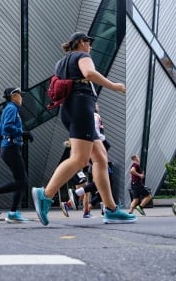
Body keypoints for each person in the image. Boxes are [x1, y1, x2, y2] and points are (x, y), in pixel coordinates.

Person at [32, 32, 135, 225]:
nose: (91, 46)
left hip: (71, 107)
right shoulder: (82, 56)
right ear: (80, 43)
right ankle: (45, 194)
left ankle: (111, 210)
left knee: (101, 158)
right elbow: (89, 73)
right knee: (79, 159)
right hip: (81, 106)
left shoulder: (61, 63)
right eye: (89, 42)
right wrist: (114, 86)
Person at [0, 87, 32, 223]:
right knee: (22, 182)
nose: (22, 98)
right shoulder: (12, 108)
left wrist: (16, 137)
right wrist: (23, 133)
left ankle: (13, 213)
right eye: (21, 95)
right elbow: (7, 127)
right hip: (11, 148)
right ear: (14, 95)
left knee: (20, 182)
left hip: (9, 147)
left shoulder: (8, 109)